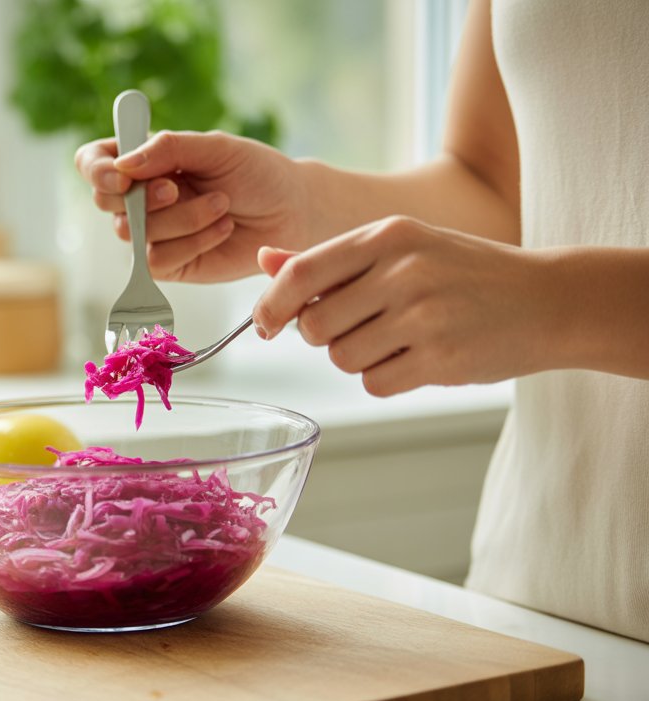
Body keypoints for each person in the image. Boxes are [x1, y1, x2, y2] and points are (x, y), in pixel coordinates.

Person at [74, 0, 648, 643]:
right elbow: (497, 187)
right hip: (533, 591)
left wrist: (555, 304)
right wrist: (303, 203)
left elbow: (544, 277)